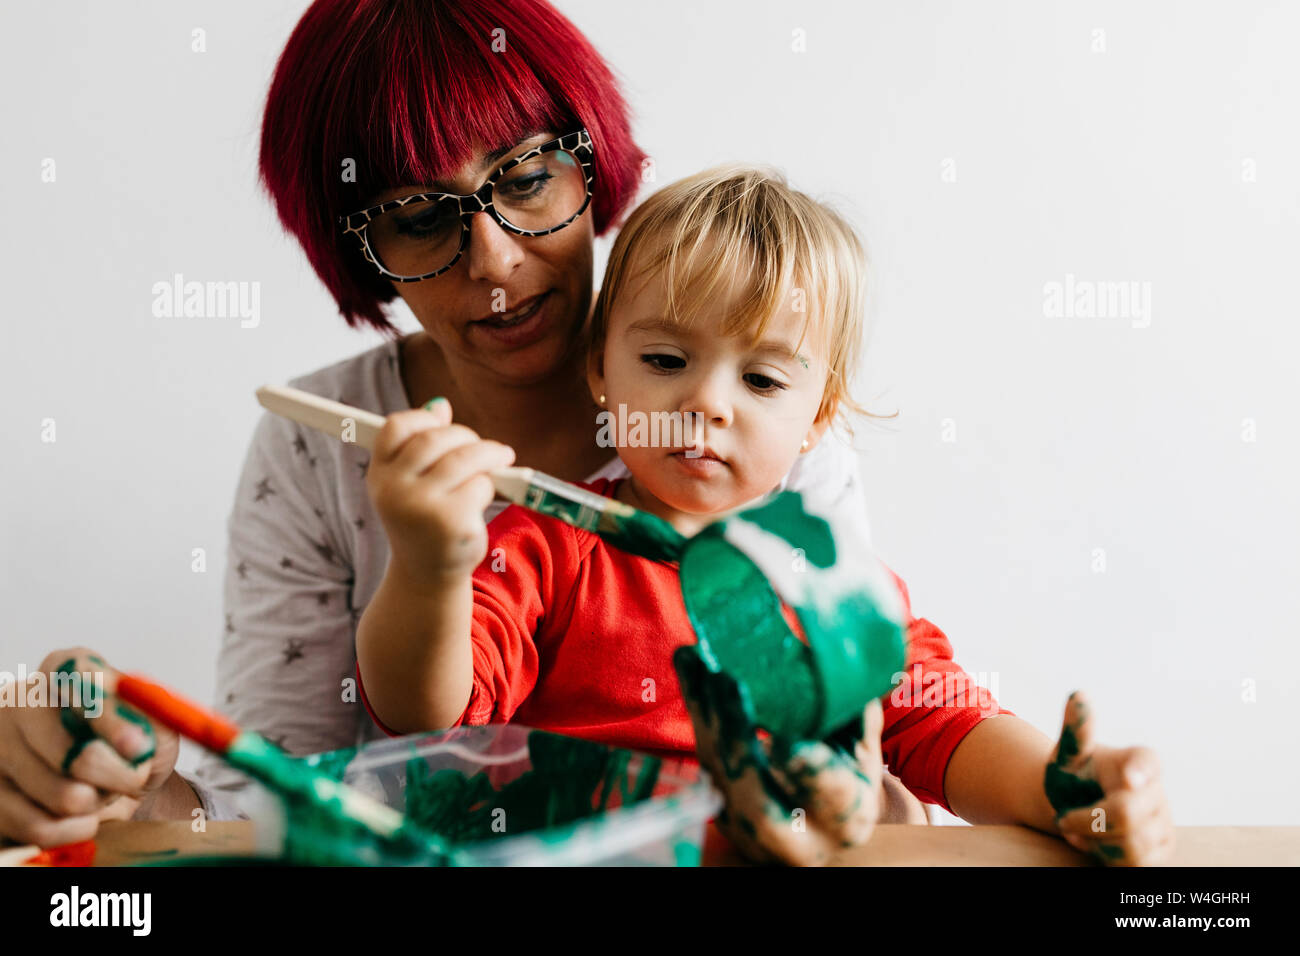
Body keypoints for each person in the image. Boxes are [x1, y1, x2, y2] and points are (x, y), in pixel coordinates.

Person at [0, 0, 1171, 866]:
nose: (497, 259)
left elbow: (926, 713)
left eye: (525, 177)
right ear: (609, 385)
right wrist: (430, 559)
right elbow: (356, 741)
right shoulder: (529, 542)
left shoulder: (794, 526)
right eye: (416, 215)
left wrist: (1056, 785)